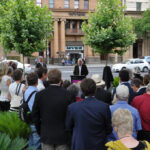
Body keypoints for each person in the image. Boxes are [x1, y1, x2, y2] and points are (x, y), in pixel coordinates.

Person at [66, 78, 112, 150]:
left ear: (82, 91)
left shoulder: (73, 107)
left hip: (81, 144)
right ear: (95, 89)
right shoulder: (104, 107)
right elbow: (108, 129)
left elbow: (69, 127)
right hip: (98, 144)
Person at [32, 69, 73, 150]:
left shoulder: (40, 95)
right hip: (63, 136)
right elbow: (72, 116)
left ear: (48, 78)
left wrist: (40, 131)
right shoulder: (69, 95)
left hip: (46, 134)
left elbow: (35, 116)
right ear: (60, 79)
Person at [24, 72, 41, 149]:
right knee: (37, 143)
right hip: (35, 120)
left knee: (31, 141)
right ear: (37, 81)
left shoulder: (25, 91)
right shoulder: (37, 93)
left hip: (28, 119)